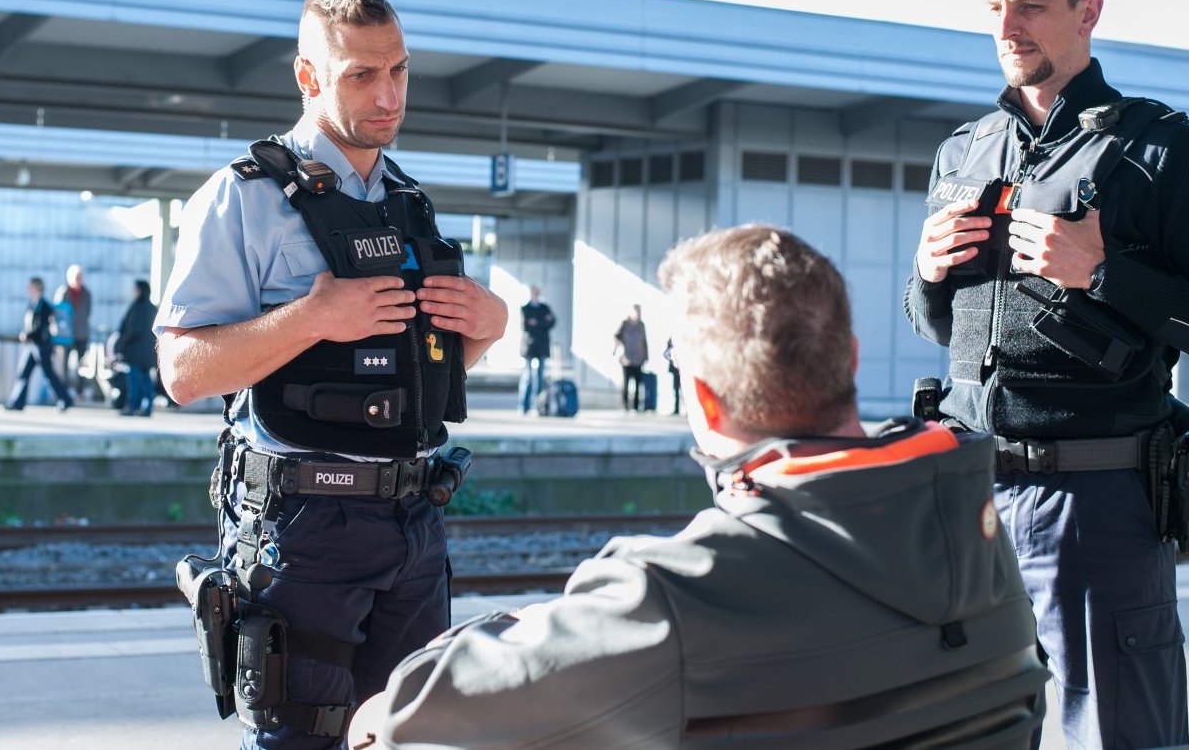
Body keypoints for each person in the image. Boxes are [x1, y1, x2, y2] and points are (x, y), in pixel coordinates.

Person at [347, 224, 1047, 749]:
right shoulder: (975, 523)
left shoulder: (671, 596)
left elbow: (403, 714)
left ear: (705, 402)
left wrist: (533, 622)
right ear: (851, 360)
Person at [155, 0, 507, 749]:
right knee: (304, 737)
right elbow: (181, 371)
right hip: (303, 532)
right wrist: (313, 317)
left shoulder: (408, 201)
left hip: (415, 521)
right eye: (362, 75)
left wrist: (487, 326)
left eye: (400, 69)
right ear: (310, 76)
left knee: (411, 735)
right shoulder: (240, 198)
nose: (390, 96)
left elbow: (421, 375)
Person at [904, 0, 1189, 748]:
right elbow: (933, 327)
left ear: (1089, 10)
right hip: (964, 502)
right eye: (995, 7)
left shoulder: (1159, 150)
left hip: (1094, 506)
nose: (1006, 28)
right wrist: (925, 274)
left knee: (1115, 732)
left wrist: (1099, 272)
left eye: (1030, 5)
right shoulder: (963, 151)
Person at [4, 277, 74, 412]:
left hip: (42, 346)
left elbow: (41, 327)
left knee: (48, 374)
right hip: (32, 346)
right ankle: (17, 402)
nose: (28, 289)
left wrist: (28, 335)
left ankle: (65, 399)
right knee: (23, 373)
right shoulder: (33, 304)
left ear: (37, 287)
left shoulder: (44, 305)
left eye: (31, 287)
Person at [117, 279, 158, 416]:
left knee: (134, 380)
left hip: (135, 351)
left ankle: (132, 405)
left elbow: (132, 330)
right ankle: (148, 406)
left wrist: (123, 344)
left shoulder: (137, 308)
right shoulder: (152, 308)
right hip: (147, 352)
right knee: (146, 380)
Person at [54, 264, 92, 399]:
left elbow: (87, 312)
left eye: (80, 277)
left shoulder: (86, 294)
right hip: (66, 334)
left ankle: (80, 390)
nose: (78, 280)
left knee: (81, 364)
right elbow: (57, 313)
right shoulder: (63, 292)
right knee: (63, 365)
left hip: (81, 333)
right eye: (76, 278)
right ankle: (63, 392)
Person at [518, 284, 555, 414]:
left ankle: (537, 406)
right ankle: (523, 406)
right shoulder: (525, 308)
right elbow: (526, 326)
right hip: (529, 346)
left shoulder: (545, 307)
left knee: (540, 377)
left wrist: (536, 322)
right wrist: (542, 322)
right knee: (527, 376)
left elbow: (552, 322)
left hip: (542, 347)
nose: (536, 294)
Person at [613, 303, 648, 412]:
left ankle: (636, 406)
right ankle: (625, 405)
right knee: (626, 383)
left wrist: (646, 356)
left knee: (638, 384)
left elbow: (644, 342)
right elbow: (616, 336)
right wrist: (620, 347)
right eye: (635, 311)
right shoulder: (625, 324)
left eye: (639, 311)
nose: (637, 313)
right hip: (626, 358)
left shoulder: (641, 325)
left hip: (638, 358)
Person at [664, 336, 681, 415]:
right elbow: (666, 354)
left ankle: (679, 409)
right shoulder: (672, 338)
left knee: (679, 389)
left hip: (683, 368)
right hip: (677, 368)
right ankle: (677, 408)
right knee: (676, 389)